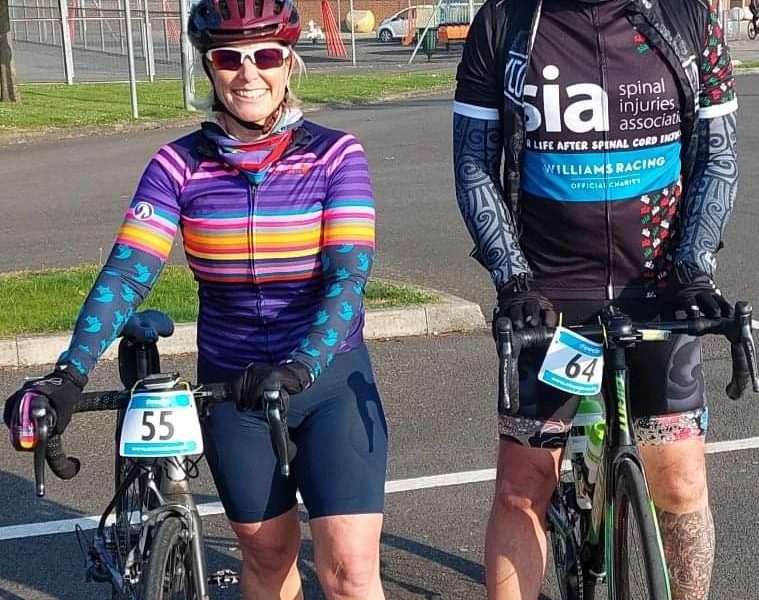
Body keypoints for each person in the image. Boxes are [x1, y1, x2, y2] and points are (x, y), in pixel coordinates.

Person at [3, 0, 388, 598]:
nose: (248, 73)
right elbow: (127, 274)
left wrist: (301, 366)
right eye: (229, 58)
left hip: (327, 382)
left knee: (349, 572)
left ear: (289, 63)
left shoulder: (336, 155)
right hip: (234, 387)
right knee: (267, 557)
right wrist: (69, 374)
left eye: (265, 55)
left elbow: (348, 278)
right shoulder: (177, 164)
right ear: (209, 68)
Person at [452, 1, 738, 599]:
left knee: (682, 482)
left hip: (660, 288)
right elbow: (475, 162)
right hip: (550, 295)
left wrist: (693, 267)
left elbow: (718, 156)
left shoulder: (685, 18)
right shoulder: (507, 21)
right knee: (523, 486)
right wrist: (513, 279)